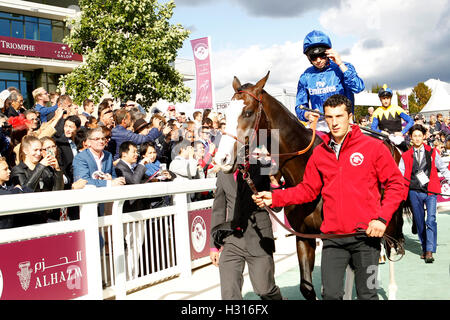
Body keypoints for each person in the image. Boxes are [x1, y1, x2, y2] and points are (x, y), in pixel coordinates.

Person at [252, 94, 404, 300]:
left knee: (367, 295)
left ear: (350, 117)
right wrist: (275, 198)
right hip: (333, 241)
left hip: (366, 240)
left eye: (339, 116)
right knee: (330, 296)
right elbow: (307, 190)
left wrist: (382, 218)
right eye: (329, 117)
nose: (334, 122)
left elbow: (396, 185)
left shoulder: (373, 148)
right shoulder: (320, 154)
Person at [210, 167, 283, 300]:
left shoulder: (263, 166)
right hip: (232, 240)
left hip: (260, 237)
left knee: (265, 290)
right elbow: (218, 209)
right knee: (229, 294)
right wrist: (214, 245)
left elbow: (277, 207)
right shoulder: (223, 173)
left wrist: (274, 182)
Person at [398, 124, 450, 263]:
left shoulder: (433, 152)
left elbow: (443, 169)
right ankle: (424, 246)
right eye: (414, 136)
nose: (417, 138)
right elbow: (400, 175)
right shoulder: (405, 156)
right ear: (410, 138)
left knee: (431, 219)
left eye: (420, 135)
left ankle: (429, 250)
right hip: (414, 192)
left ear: (424, 137)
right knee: (420, 221)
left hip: (431, 191)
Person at [295, 30, 365, 131]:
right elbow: (299, 107)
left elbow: (358, 87)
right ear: (308, 57)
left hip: (344, 124)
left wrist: (340, 64)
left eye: (322, 55)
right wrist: (307, 114)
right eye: (314, 57)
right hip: (319, 126)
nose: (318, 60)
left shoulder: (343, 67)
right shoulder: (305, 77)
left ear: (328, 52)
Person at [10, 135, 64, 226]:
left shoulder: (46, 169)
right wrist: (40, 167)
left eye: (40, 150)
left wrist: (57, 170)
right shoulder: (18, 170)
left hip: (47, 217)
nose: (39, 153)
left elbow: (57, 191)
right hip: (27, 220)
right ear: (25, 150)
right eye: (35, 150)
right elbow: (26, 190)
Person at [371, 84, 413, 149]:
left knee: (404, 147)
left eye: (387, 98)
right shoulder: (376, 112)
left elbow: (411, 121)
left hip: (397, 137)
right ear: (380, 99)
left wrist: (402, 132)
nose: (385, 101)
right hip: (383, 137)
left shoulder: (397, 109)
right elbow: (373, 128)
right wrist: (381, 132)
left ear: (390, 98)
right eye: (383, 98)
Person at [0, 157, 32, 229]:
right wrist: (17, 189)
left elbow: (29, 191)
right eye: (5, 169)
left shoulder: (9, 186)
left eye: (8, 168)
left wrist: (17, 190)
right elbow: (8, 196)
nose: (9, 171)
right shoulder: (12, 188)